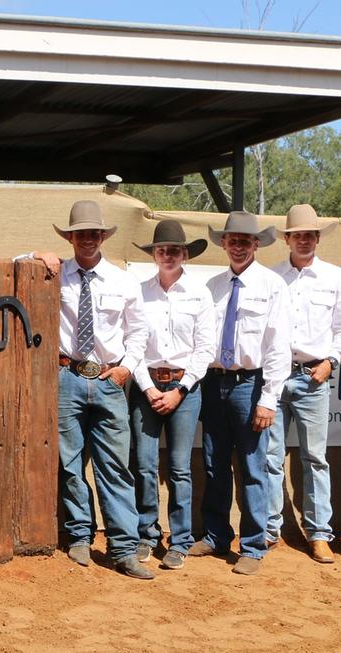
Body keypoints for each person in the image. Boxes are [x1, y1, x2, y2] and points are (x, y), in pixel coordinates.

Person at [27, 200, 152, 580]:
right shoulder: (55, 272)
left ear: (102, 237)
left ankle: (123, 547)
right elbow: (15, 265)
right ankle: (79, 534)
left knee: (114, 466)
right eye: (80, 233)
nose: (87, 239)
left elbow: (139, 332)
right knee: (69, 463)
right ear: (70, 238)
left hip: (108, 379)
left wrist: (126, 370)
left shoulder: (123, 280)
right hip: (67, 375)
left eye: (94, 233)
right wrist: (35, 253)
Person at [193, 210, 290, 576]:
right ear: (223, 243)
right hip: (213, 382)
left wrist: (269, 398)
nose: (237, 246)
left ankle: (252, 545)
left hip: (250, 383)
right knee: (215, 464)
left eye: (244, 241)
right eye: (231, 240)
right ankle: (217, 535)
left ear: (256, 245)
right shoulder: (213, 286)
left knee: (252, 467)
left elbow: (278, 345)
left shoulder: (271, 285)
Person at [264, 205, 341, 564]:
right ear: (287, 239)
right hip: (274, 375)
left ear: (317, 238)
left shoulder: (336, 277)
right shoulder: (271, 277)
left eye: (309, 234)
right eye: (297, 234)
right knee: (270, 457)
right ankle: (271, 529)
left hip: (313, 376)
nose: (303, 239)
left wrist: (331, 360)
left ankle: (319, 534)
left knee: (315, 458)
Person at [127, 220, 214, 571]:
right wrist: (148, 387)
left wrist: (180, 390)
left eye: (174, 250)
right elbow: (130, 343)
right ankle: (147, 533)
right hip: (145, 385)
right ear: (153, 254)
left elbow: (205, 350)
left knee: (179, 468)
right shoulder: (139, 291)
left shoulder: (200, 294)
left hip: (184, 388)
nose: (167, 255)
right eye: (161, 250)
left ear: (185, 255)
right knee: (144, 464)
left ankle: (180, 540)